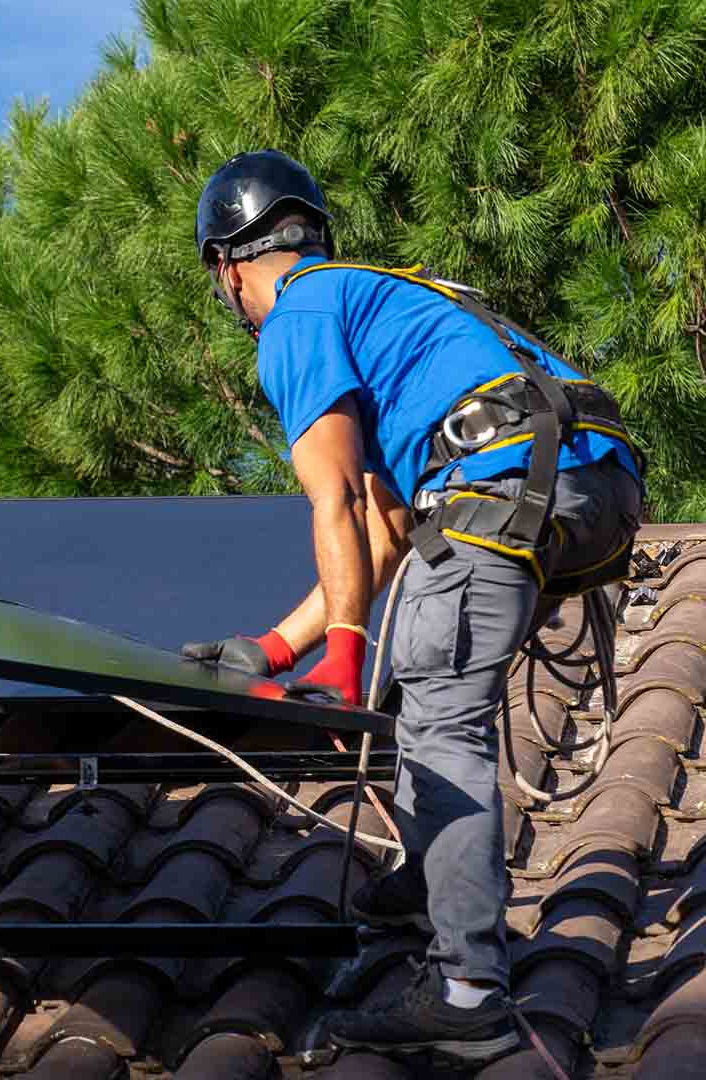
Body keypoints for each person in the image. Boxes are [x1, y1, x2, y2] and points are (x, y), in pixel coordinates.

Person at [181, 150, 643, 1064]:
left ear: (231, 268)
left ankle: (466, 986)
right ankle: (421, 881)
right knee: (420, 677)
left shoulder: (299, 314)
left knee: (438, 728)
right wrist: (280, 646)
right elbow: (391, 533)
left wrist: (343, 658)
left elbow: (339, 501)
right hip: (590, 482)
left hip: (500, 484)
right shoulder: (386, 297)